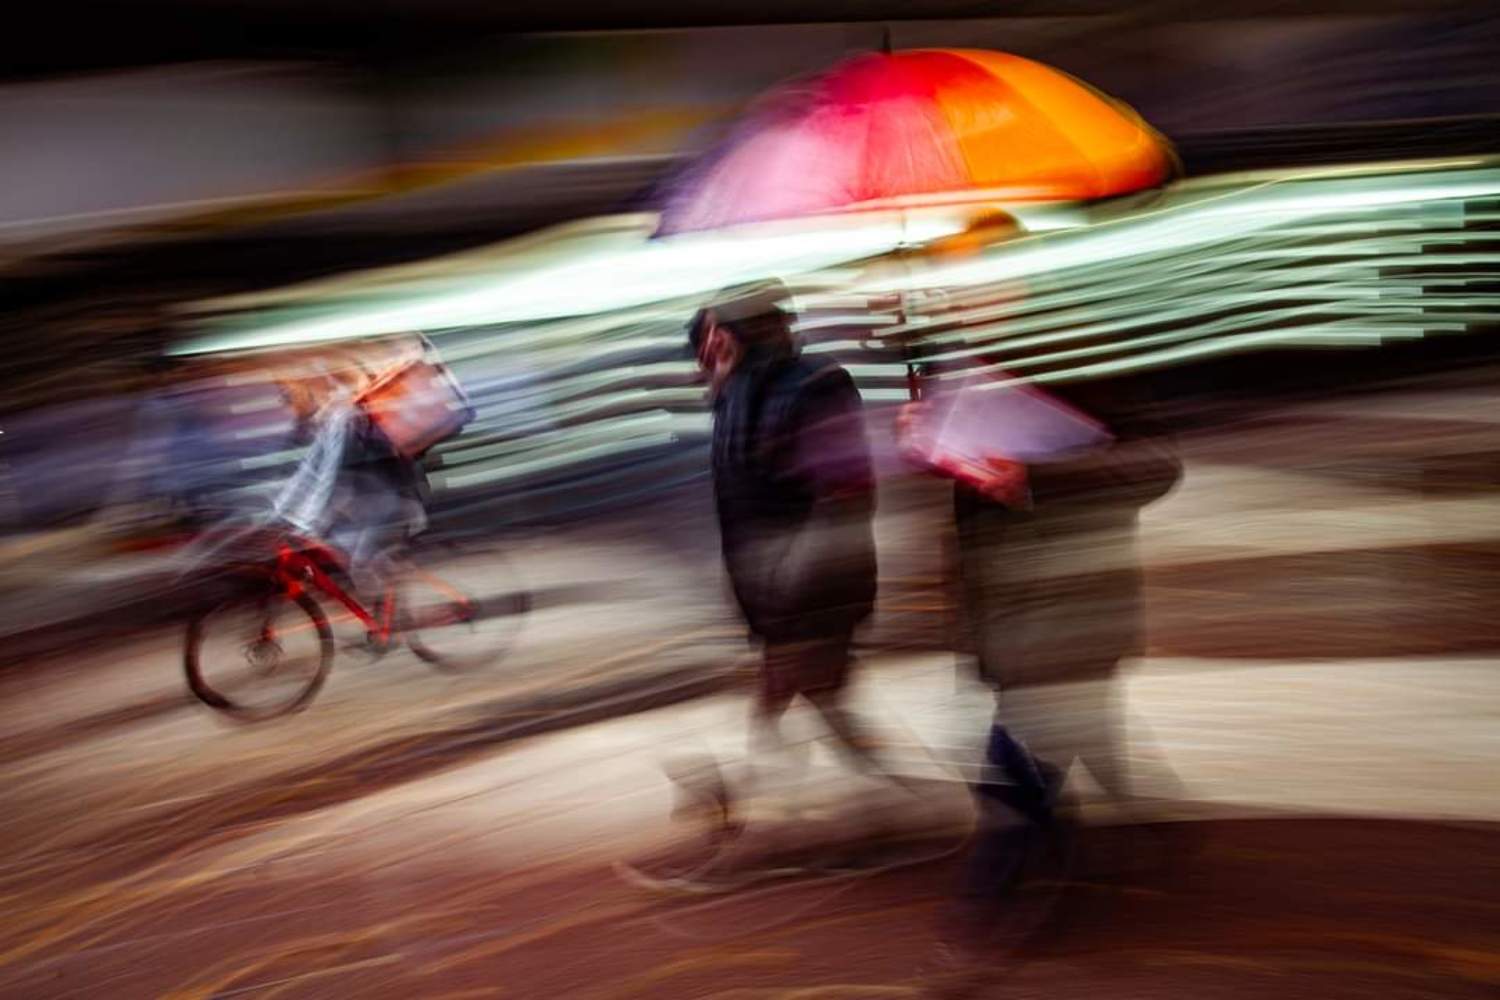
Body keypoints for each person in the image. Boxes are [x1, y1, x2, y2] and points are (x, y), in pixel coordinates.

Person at [901, 372, 1185, 966]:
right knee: (1079, 739)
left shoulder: (1084, 357)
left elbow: (1156, 466)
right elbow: (973, 480)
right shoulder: (963, 368)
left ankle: (984, 914)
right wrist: (932, 446)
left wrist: (1036, 479)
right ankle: (1151, 832)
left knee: (1013, 768)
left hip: (1070, 602)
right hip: (1002, 607)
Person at [673, 280, 903, 846]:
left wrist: (794, 588)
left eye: (708, 339)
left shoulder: (817, 385)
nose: (702, 357)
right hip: (777, 592)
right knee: (825, 700)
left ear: (729, 333)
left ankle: (743, 819)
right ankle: (900, 803)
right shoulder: (735, 395)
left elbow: (846, 494)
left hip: (813, 589)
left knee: (783, 701)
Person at [271, 363, 430, 602]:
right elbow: (308, 471)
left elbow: (329, 477)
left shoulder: (345, 416)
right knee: (337, 555)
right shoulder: (330, 418)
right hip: (367, 505)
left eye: (288, 393)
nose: (286, 402)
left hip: (394, 506)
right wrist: (279, 511)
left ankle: (394, 624)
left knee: (360, 569)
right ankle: (385, 609)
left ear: (310, 387)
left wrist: (307, 523)